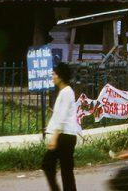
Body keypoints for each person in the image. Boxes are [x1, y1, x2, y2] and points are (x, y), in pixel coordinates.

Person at [42, 63, 81, 191]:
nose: (52, 77)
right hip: (65, 136)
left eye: (54, 74)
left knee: (50, 165)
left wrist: (54, 138)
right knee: (65, 170)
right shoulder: (65, 92)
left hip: (64, 136)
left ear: (60, 76)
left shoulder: (67, 92)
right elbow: (59, 116)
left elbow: (62, 117)